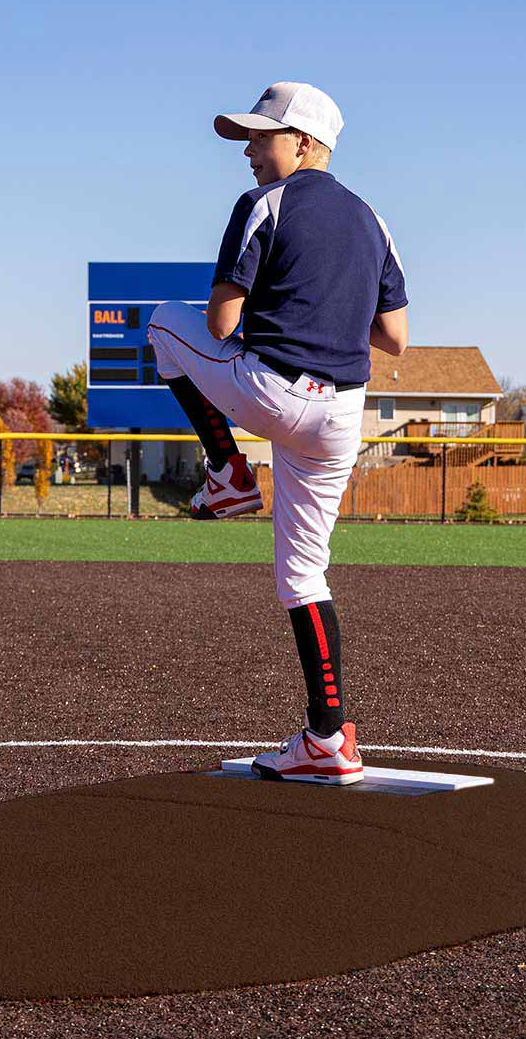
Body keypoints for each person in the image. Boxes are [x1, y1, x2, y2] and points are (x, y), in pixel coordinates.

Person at [146, 81, 408, 785]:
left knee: (161, 325)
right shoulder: (373, 219)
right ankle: (329, 739)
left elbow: (221, 325)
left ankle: (227, 472)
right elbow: (395, 338)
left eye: (263, 137)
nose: (251, 152)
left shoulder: (265, 204)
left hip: (274, 393)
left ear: (306, 142)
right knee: (303, 574)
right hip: (341, 417)